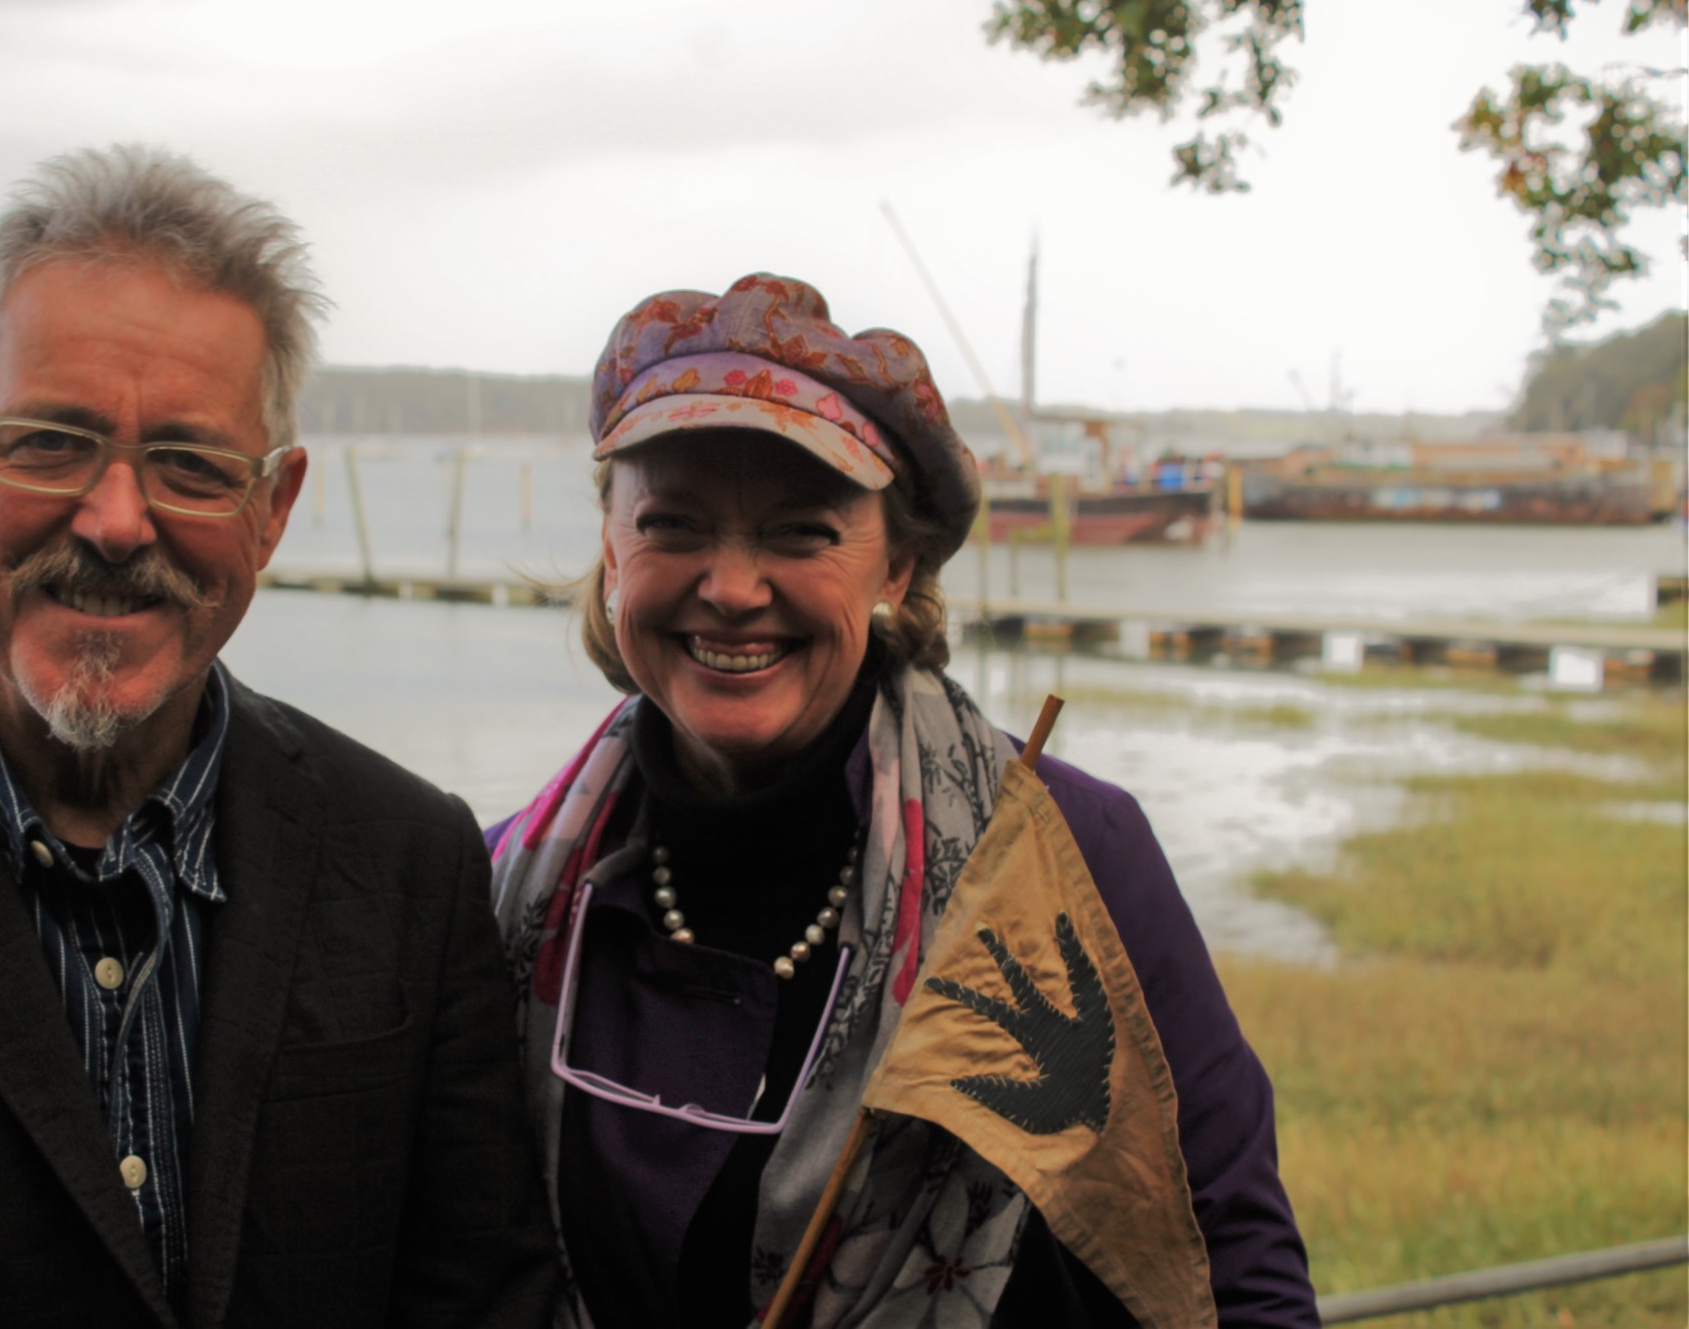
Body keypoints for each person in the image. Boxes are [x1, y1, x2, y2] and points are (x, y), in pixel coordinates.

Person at [0, 146, 555, 1328]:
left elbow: (480, 1301)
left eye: (187, 464)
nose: (117, 522)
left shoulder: (408, 863)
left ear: (271, 510)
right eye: (50, 441)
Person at [486, 273, 1317, 1327]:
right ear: (611, 547)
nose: (732, 587)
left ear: (898, 565)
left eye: (800, 533)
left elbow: (1226, 1261)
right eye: (672, 523)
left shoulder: (1059, 854)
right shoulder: (492, 887)